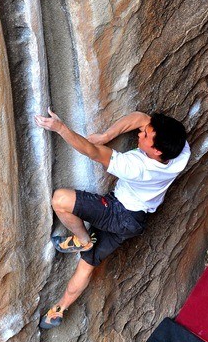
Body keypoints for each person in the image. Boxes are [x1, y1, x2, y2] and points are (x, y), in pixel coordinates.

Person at [34, 108, 190, 329]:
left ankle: (82, 239)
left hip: (117, 212)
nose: (140, 132)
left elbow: (92, 151)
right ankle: (59, 310)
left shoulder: (136, 167)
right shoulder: (180, 152)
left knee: (60, 200)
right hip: (135, 221)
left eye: (144, 135)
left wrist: (60, 127)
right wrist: (107, 135)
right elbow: (140, 118)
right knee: (86, 266)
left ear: (155, 150)